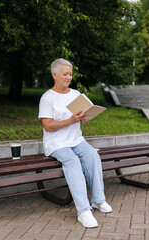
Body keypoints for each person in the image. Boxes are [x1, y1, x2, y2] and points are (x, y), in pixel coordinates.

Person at [38, 58, 112, 228]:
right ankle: (83, 211)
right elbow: (47, 126)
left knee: (93, 154)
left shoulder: (76, 95)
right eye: (65, 74)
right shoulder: (47, 98)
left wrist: (86, 118)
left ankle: (98, 200)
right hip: (57, 143)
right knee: (73, 161)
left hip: (76, 140)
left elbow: (83, 121)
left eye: (70, 74)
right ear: (54, 74)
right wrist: (70, 121)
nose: (69, 77)